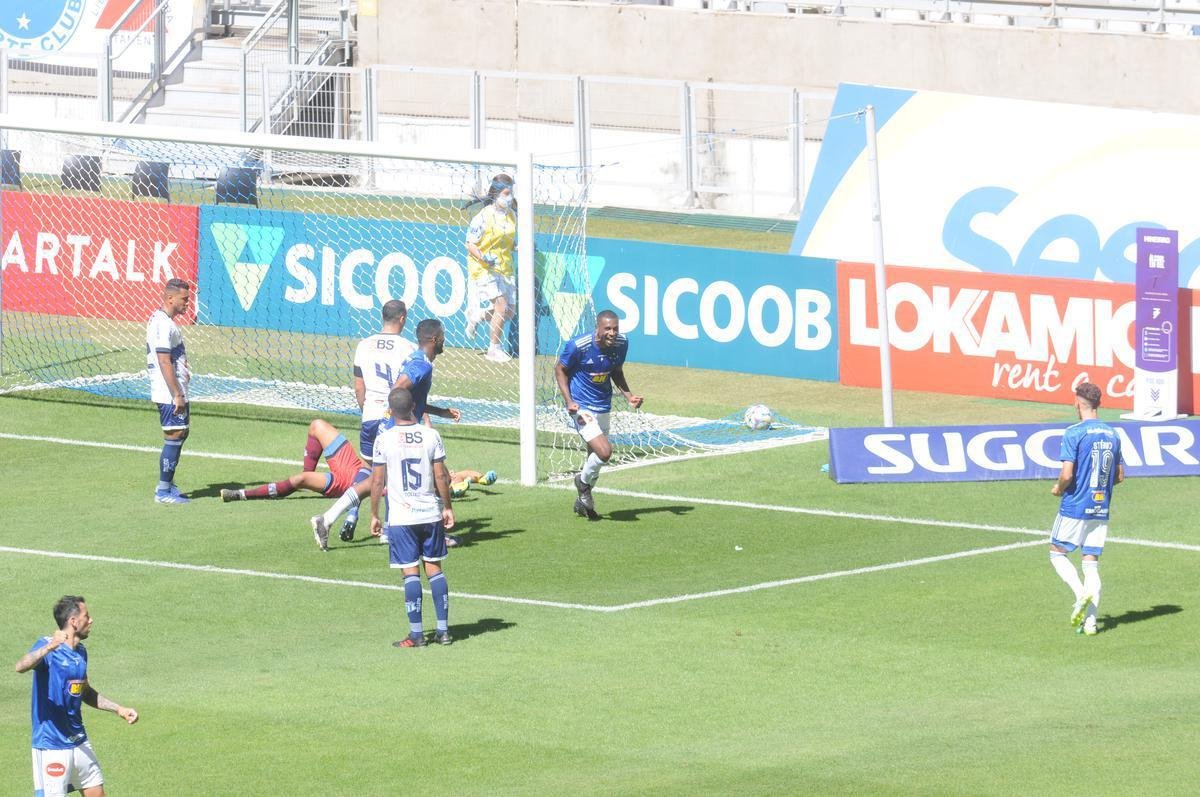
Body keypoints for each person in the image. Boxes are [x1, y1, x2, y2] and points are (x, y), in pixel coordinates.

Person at [315, 318, 462, 543]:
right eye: (442, 336)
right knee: (435, 475)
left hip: (392, 424)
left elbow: (411, 397)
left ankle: (326, 519)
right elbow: (398, 390)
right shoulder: (420, 364)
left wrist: (440, 412)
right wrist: (404, 422)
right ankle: (435, 534)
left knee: (379, 478)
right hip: (397, 427)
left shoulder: (418, 360)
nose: (444, 340)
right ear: (434, 339)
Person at [15, 595, 138, 797]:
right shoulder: (48, 646)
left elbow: (85, 692)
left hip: (79, 741)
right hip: (52, 746)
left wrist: (119, 709)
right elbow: (20, 667)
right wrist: (48, 648)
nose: (91, 620)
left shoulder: (81, 652)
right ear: (73, 621)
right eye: (86, 616)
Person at [370, 387, 456, 647]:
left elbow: (376, 481)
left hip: (401, 518)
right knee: (435, 570)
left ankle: (417, 635)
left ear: (391, 410)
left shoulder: (384, 439)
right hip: (429, 513)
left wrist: (374, 514)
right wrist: (447, 507)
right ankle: (443, 631)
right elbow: (441, 476)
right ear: (413, 407)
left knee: (410, 573)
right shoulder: (431, 435)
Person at [1048, 381, 1125, 636]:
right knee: (1090, 563)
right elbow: (1119, 476)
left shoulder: (1074, 432)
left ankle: (1081, 595)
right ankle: (1091, 623)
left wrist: (1059, 487)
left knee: (1057, 553)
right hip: (1101, 507)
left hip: (1075, 506)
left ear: (1078, 403)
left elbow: (1067, 473)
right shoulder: (1113, 434)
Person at [220, 418, 366, 552]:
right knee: (317, 425)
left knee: (300, 479)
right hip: (352, 462)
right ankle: (310, 477)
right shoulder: (377, 413)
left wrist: (353, 513)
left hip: (351, 479)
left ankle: (242, 494)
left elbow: (375, 478)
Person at [338, 299, 416, 540]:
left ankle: (352, 514)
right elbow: (409, 389)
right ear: (402, 318)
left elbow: (359, 387)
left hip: (369, 415)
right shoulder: (409, 348)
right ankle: (389, 529)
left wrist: (366, 410)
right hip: (392, 416)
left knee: (368, 468)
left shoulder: (364, 345)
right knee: (392, 472)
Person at [554, 310, 643, 520]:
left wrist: (629, 396)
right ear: (598, 328)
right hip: (582, 407)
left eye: (615, 329)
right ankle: (582, 485)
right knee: (604, 452)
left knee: (593, 461)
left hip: (604, 405)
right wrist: (569, 401)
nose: (612, 333)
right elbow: (560, 369)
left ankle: (582, 503)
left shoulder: (622, 343)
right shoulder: (579, 345)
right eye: (608, 329)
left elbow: (616, 370)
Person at [146, 278, 192, 504]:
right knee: (174, 435)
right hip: (169, 392)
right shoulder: (163, 324)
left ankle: (168, 483)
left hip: (174, 389)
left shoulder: (162, 321)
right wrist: (177, 393)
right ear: (170, 298)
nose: (187, 304)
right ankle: (163, 491)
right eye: (184, 299)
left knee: (181, 432)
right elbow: (164, 361)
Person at [464, 173, 517, 363]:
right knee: (500, 307)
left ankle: (476, 316)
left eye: (510, 193)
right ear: (495, 193)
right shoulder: (483, 216)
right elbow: (470, 243)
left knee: (509, 312)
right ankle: (494, 349)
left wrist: (516, 247)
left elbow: (508, 242)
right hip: (484, 268)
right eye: (505, 193)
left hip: (506, 268)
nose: (509, 197)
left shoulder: (512, 216)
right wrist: (483, 258)